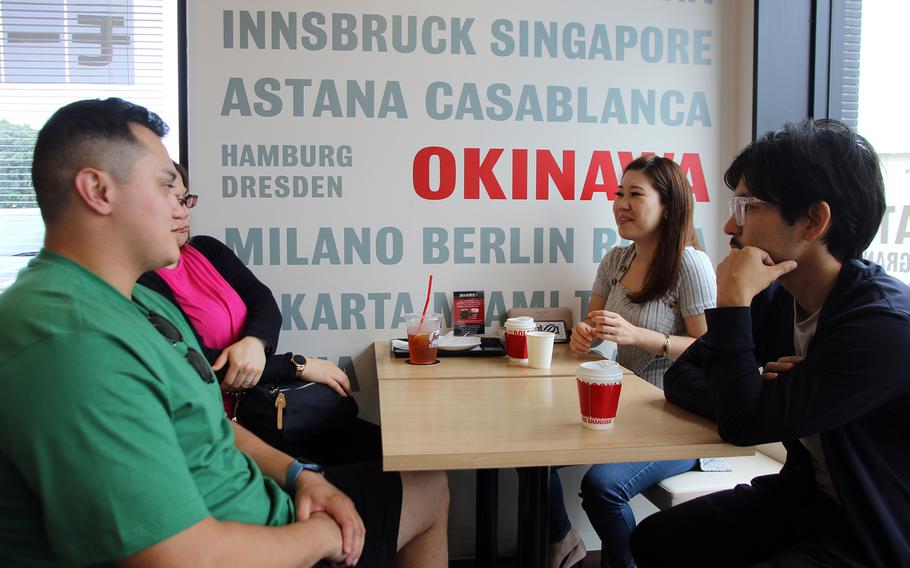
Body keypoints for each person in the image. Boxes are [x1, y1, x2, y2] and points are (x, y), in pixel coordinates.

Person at [0, 97, 449, 567]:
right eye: (165, 185)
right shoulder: (71, 342)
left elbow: (212, 423)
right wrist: (320, 537)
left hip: (260, 503)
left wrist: (301, 477)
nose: (180, 206)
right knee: (427, 489)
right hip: (240, 538)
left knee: (423, 481)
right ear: (98, 190)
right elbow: (178, 557)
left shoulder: (136, 300)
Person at [630, 119, 910, 567]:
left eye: (747, 207)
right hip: (805, 501)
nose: (728, 225)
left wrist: (734, 301)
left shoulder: (884, 328)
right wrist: (760, 386)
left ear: (813, 221)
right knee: (656, 539)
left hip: (874, 527)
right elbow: (684, 377)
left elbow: (744, 423)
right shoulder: (781, 301)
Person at [138, 163, 380, 465]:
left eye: (186, 200)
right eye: (171, 201)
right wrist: (297, 365)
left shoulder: (206, 250)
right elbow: (205, 367)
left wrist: (254, 341)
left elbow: (264, 303)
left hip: (269, 410)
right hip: (228, 433)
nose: (184, 212)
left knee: (393, 457)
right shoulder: (142, 282)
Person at [548, 156, 717, 568]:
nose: (621, 203)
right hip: (627, 407)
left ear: (668, 205)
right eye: (619, 193)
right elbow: (591, 330)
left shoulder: (689, 264)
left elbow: (712, 349)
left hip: (684, 418)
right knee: (526, 453)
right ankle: (563, 538)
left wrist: (640, 336)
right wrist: (584, 337)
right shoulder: (615, 261)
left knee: (602, 487)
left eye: (635, 195)